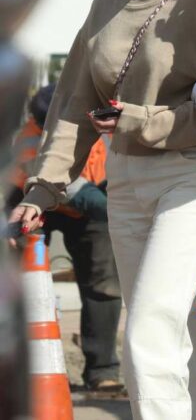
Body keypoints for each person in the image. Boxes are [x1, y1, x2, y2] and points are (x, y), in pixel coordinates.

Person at [8, 0, 196, 418]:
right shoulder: (104, 6)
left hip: (189, 171)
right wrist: (42, 189)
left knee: (150, 328)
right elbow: (72, 105)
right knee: (178, 328)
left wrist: (141, 120)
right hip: (123, 181)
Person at [6, 84, 123, 392]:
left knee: (104, 284)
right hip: (33, 202)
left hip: (94, 196)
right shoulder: (31, 140)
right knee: (18, 285)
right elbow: (68, 190)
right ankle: (20, 372)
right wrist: (119, 215)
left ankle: (102, 370)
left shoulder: (99, 120)